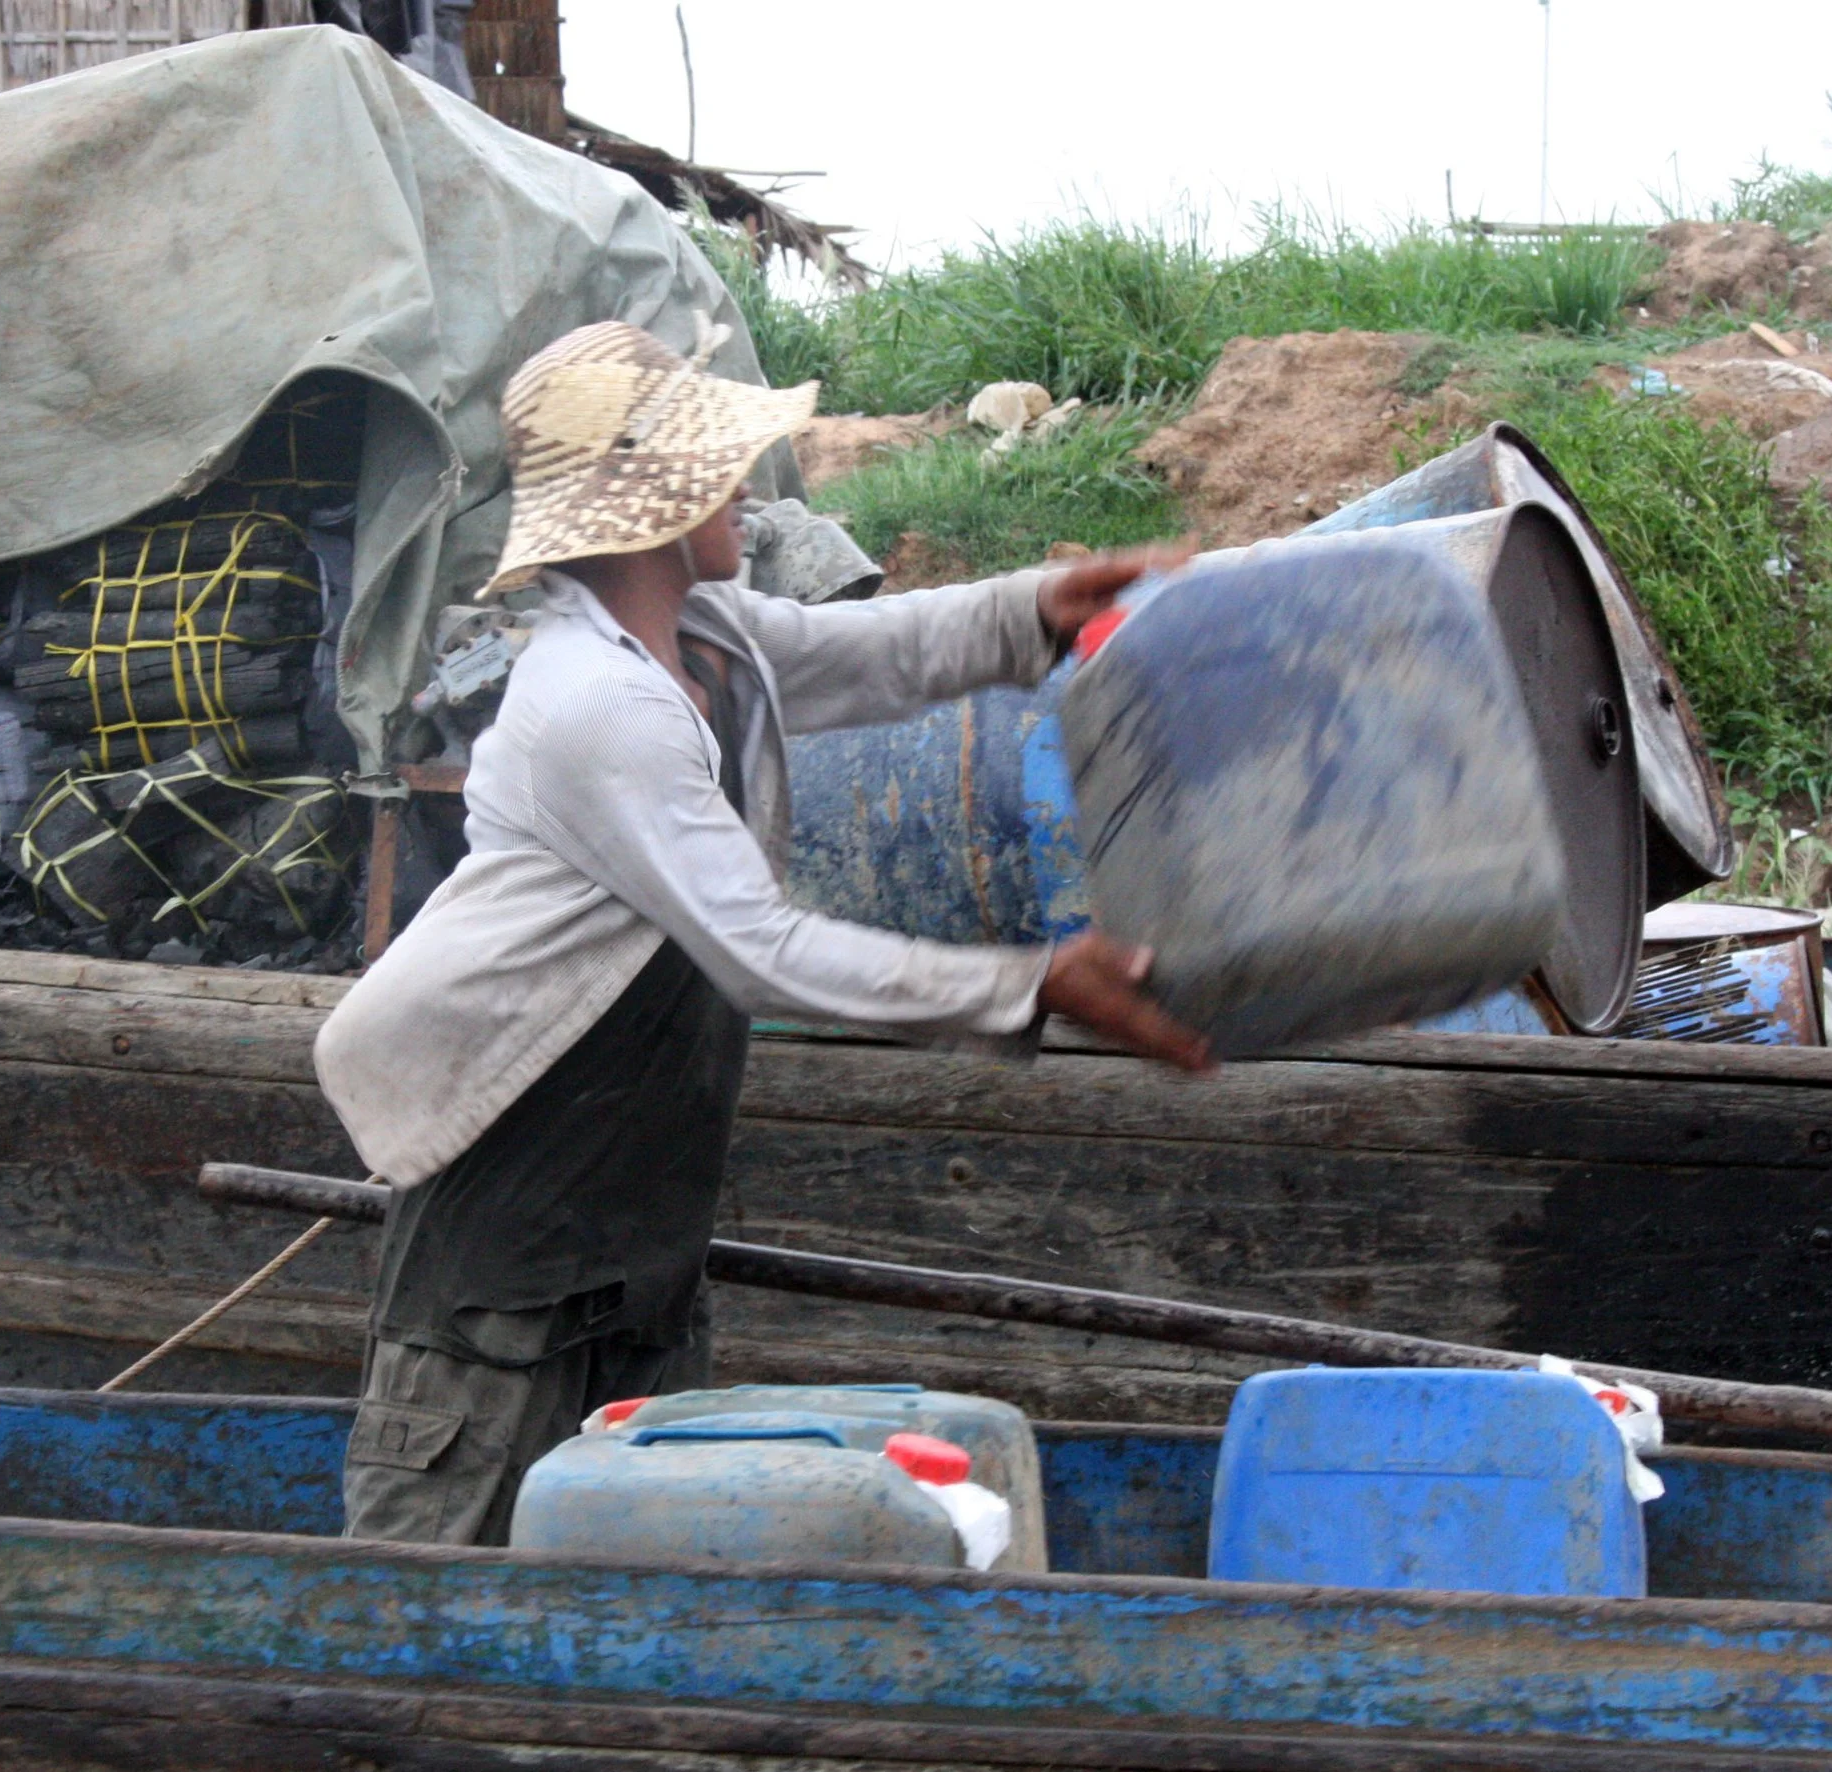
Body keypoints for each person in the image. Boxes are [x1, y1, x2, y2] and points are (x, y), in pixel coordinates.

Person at [314, 319, 1209, 1545]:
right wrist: (1031, 983)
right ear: (654, 503)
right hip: (505, 1233)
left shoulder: (709, 639)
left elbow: (872, 649)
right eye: (716, 463)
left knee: (632, 1564)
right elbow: (761, 951)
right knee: (437, 1585)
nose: (744, 483)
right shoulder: (597, 700)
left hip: (637, 1221)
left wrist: (1035, 612)